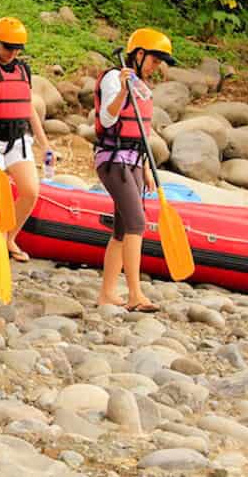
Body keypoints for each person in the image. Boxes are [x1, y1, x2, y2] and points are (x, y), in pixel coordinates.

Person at [95, 29, 174, 312]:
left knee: (121, 230)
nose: (157, 66)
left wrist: (146, 167)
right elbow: (107, 117)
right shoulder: (114, 79)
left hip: (133, 162)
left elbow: (140, 131)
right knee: (137, 224)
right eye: (155, 59)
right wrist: (123, 92)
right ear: (138, 54)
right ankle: (135, 294)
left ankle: (106, 294)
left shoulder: (140, 85)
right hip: (113, 160)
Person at [0, 17, 51, 263]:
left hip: (18, 138)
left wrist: (44, 143)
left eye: (16, 49)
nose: (12, 53)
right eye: (7, 47)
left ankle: (8, 238)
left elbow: (27, 106)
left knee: (30, 191)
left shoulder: (23, 69)